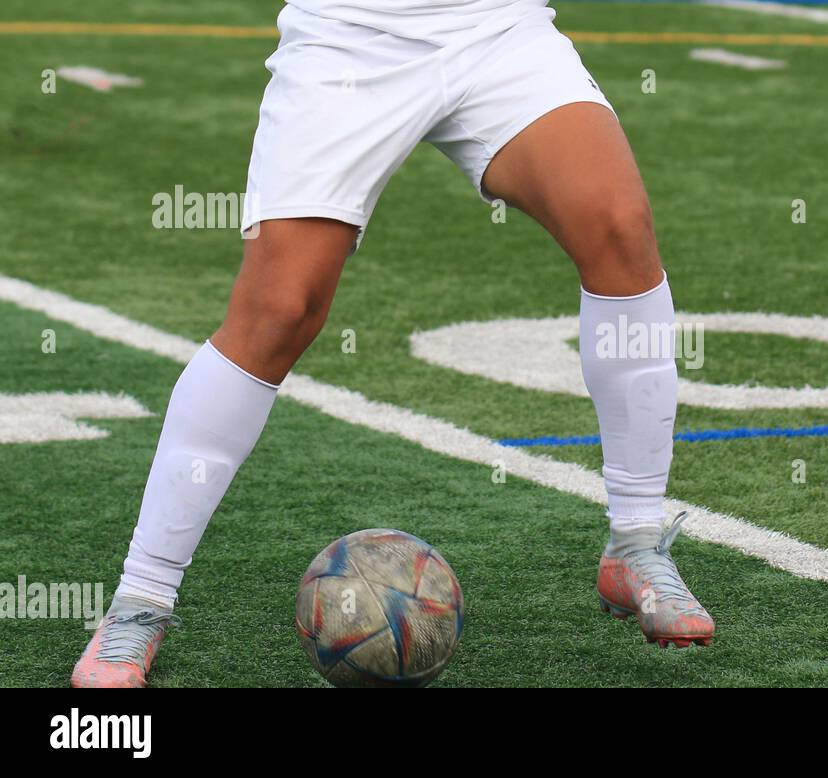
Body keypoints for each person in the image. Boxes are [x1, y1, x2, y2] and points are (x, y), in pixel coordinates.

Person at [72, 0, 713, 688]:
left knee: (618, 225)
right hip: (350, 34)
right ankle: (141, 602)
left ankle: (637, 543)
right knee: (280, 310)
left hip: (496, 26)